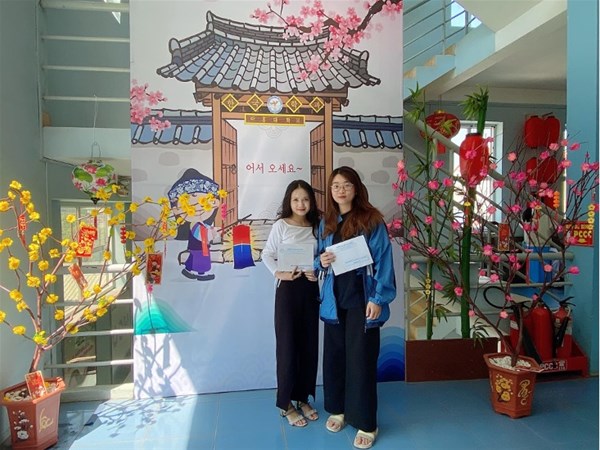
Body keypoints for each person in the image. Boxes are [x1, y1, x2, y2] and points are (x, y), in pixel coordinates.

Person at [316, 166, 396, 449]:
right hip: (334, 301)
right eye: (336, 185)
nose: (341, 190)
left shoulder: (371, 220)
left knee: (361, 361)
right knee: (335, 359)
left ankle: (366, 423)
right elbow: (317, 257)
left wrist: (378, 298)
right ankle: (338, 409)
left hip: (363, 301)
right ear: (331, 190)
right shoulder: (326, 221)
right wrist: (320, 261)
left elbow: (384, 260)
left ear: (356, 188)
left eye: (346, 185)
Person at [262, 180, 321, 427]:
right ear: (289, 201)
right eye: (296, 199)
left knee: (309, 345)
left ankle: (303, 398)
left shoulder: (317, 226)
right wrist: (280, 273)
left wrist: (317, 271)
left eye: (305, 199)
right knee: (287, 346)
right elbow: (267, 254)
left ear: (311, 202)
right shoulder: (281, 225)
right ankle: (285, 403)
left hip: (310, 289)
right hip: (287, 290)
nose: (301, 204)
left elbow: (322, 257)